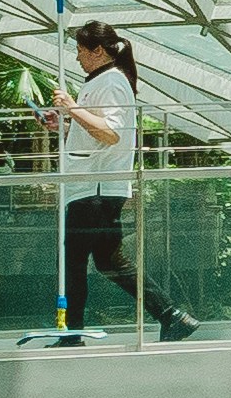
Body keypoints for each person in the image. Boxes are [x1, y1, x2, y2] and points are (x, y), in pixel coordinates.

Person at [52, 22, 194, 341]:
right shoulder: (102, 81)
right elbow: (94, 135)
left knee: (71, 261)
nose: (77, 58)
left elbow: (111, 133)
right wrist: (63, 125)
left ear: (98, 51)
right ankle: (172, 315)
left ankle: (71, 332)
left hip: (95, 189)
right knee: (107, 261)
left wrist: (73, 108)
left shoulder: (112, 81)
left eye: (80, 51)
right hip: (95, 187)